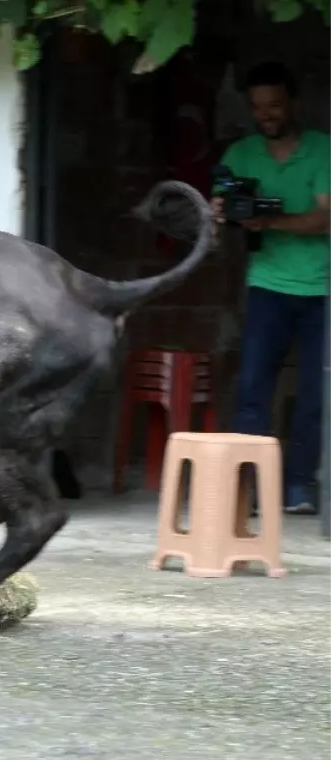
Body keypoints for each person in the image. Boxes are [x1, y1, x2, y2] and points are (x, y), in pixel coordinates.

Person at [211, 61, 331, 514]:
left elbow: (326, 217)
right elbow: (223, 207)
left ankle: (299, 486)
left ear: (293, 103)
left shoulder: (323, 149)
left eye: (275, 105)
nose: (268, 115)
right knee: (252, 391)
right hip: (266, 285)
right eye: (259, 108)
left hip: (322, 290)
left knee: (316, 398)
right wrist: (221, 212)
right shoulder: (239, 155)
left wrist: (268, 222)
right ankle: (252, 491)